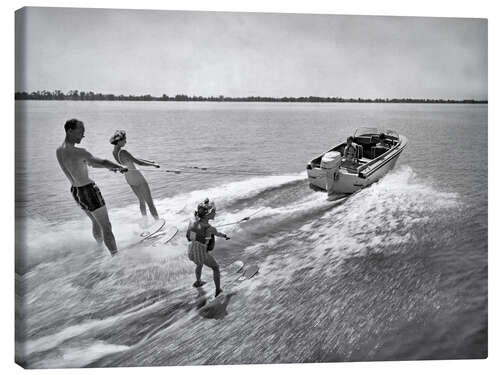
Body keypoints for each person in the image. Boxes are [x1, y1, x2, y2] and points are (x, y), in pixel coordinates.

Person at [56, 119, 128, 256]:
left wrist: (111, 168)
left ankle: (100, 249)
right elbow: (102, 162)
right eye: (80, 132)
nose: (83, 135)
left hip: (76, 191)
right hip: (88, 191)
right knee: (106, 227)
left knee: (95, 221)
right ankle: (116, 257)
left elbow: (91, 164)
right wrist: (119, 167)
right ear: (70, 131)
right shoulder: (79, 152)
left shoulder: (59, 150)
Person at [110, 130, 161, 220]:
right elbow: (138, 163)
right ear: (119, 141)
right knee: (150, 202)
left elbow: (133, 158)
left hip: (129, 179)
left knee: (141, 201)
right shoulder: (123, 152)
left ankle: (145, 222)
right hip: (137, 177)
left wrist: (149, 161)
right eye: (124, 140)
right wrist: (153, 165)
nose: (126, 142)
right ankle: (158, 222)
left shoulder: (114, 152)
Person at [186, 199, 230, 297]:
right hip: (201, 252)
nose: (215, 213)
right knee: (215, 268)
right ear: (208, 214)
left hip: (191, 251)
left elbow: (190, 237)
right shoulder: (210, 229)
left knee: (199, 264)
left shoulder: (193, 222)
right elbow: (218, 234)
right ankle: (218, 291)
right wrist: (225, 236)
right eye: (213, 211)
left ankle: (198, 282)